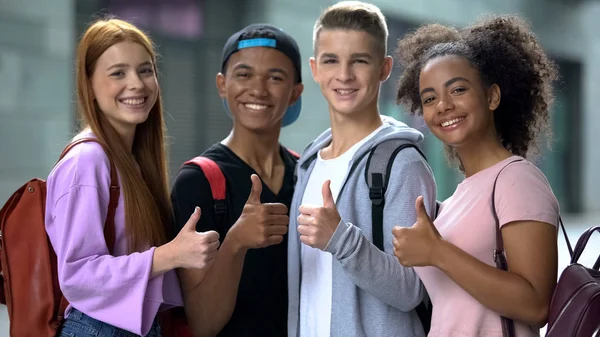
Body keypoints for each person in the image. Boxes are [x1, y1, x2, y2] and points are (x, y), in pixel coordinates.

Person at [45, 18, 220, 337]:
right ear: (90, 85)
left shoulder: (130, 159)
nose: (137, 84)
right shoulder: (87, 160)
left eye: (145, 70)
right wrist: (170, 254)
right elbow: (77, 274)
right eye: (117, 73)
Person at [392, 15, 560, 337]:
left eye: (457, 89)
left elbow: (536, 306)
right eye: (429, 98)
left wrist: (438, 252)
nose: (442, 105)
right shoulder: (457, 198)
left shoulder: (516, 180)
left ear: (492, 97)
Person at [287, 2, 437, 336]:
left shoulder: (402, 163)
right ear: (314, 68)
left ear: (384, 68)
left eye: (359, 60)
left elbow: (411, 289)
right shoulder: (308, 163)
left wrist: (340, 239)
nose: (344, 75)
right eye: (331, 60)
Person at [171, 24, 304, 337]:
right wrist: (236, 243)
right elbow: (202, 324)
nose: (258, 89)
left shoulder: (308, 175)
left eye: (275, 77)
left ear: (295, 91)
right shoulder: (198, 181)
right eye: (244, 74)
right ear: (222, 84)